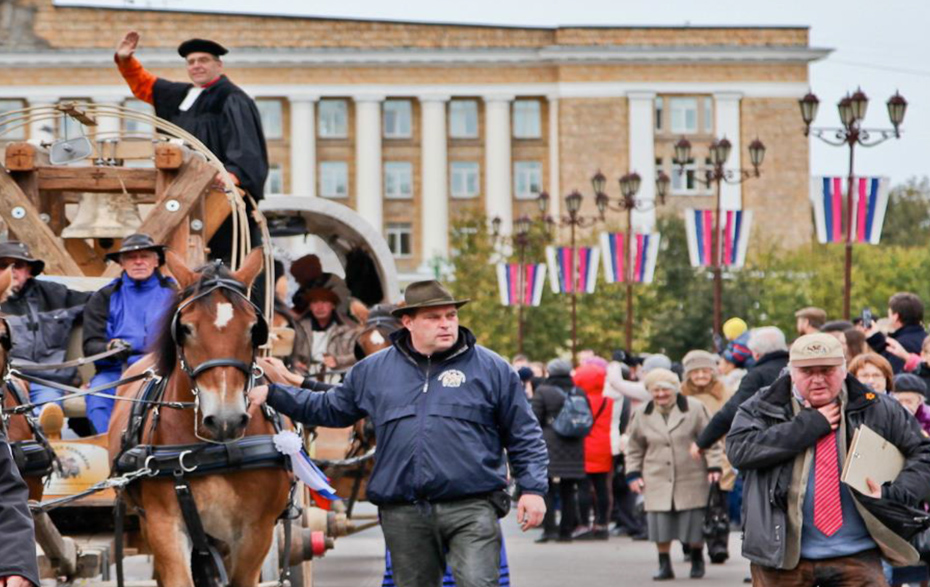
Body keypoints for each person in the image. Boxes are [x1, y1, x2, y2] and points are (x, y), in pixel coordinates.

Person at [248, 280, 548, 587]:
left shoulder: (492, 368)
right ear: (408, 322)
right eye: (433, 318)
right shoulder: (374, 370)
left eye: (450, 316)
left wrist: (533, 490)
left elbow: (524, 434)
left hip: (472, 506)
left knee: (478, 582)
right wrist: (274, 394)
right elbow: (331, 408)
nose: (445, 324)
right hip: (405, 511)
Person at [727, 333, 930, 585]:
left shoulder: (876, 406)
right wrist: (810, 426)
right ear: (791, 372)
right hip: (781, 556)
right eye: (807, 371)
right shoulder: (764, 404)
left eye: (827, 370)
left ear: (844, 370)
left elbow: (924, 452)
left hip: (857, 553)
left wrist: (895, 493)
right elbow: (738, 450)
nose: (818, 379)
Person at [113, 31, 268, 285]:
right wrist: (125, 60)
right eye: (191, 61)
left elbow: (246, 143)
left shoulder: (232, 98)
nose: (196, 66)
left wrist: (233, 174)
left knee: (225, 260)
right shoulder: (181, 95)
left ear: (219, 65)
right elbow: (145, 84)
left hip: (219, 195)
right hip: (181, 193)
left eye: (203, 60)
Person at [626, 368, 722, 581]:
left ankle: (697, 557)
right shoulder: (642, 413)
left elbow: (712, 441)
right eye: (655, 391)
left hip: (691, 473)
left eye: (665, 390)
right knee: (660, 522)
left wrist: (714, 467)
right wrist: (633, 474)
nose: (660, 395)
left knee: (693, 522)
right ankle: (664, 564)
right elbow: (633, 448)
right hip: (656, 475)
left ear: (675, 390)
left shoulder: (695, 409)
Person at [82, 234, 176, 433]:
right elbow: (91, 346)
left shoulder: (176, 292)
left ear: (156, 260)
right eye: (132, 257)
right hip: (117, 371)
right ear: (121, 263)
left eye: (145, 256)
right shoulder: (104, 296)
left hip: (163, 369)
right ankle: (109, 450)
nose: (139, 261)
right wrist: (110, 348)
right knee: (98, 396)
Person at [0, 241, 90, 417]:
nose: (11, 272)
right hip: (10, 378)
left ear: (29, 270)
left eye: (17, 265)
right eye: (3, 266)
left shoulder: (56, 294)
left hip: (49, 381)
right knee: (15, 412)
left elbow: (99, 304)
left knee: (46, 413)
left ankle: (41, 432)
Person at [695, 326, 789, 452]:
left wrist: (703, 442)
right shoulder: (797, 369)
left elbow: (733, 410)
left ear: (755, 354)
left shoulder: (756, 376)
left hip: (767, 444)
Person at [531, 358, 585, 543]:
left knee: (546, 489)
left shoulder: (543, 391)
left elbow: (534, 419)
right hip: (574, 445)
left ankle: (549, 530)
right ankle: (566, 531)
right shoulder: (578, 391)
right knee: (569, 490)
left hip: (550, 443)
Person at [574, 363, 613, 541]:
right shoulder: (609, 401)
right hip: (603, 447)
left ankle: (584, 524)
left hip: (583, 447)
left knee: (583, 488)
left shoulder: (578, 401)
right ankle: (602, 523)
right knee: (602, 488)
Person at [867, 292, 928, 374]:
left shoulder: (899, 345)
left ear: (895, 316)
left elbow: (892, 374)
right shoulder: (926, 338)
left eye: (889, 314)